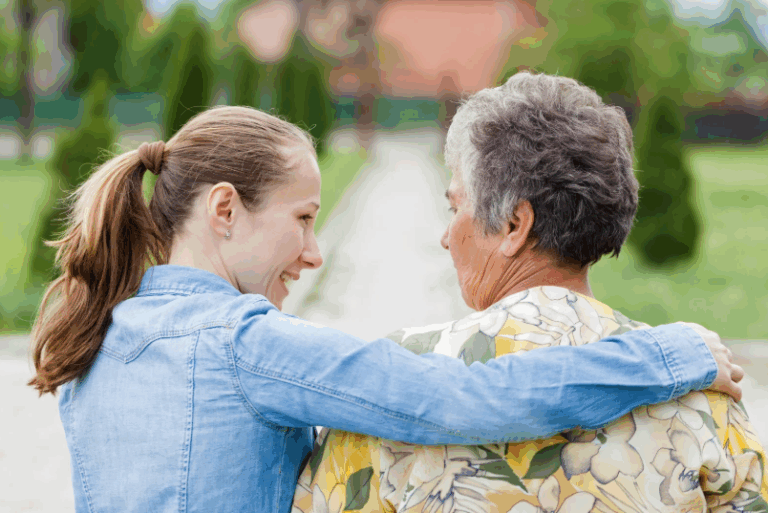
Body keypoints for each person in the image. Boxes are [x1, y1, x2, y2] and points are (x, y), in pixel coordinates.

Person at [29, 106, 742, 513]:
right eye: (304, 218)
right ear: (224, 209)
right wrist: (668, 353)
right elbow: (467, 397)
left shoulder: (94, 337)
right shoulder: (245, 344)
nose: (313, 252)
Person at [292, 73, 766, 513]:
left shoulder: (394, 384)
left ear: (514, 225)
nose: (445, 235)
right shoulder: (706, 393)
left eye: (454, 206)